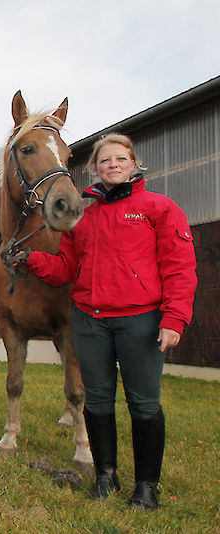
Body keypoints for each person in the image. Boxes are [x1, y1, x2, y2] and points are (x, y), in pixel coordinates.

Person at [17, 133, 197, 510]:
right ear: (94, 168)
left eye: (120, 159)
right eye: (105, 160)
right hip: (90, 321)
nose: (112, 165)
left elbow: (180, 267)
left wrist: (174, 318)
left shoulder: (159, 208)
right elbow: (67, 268)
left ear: (133, 164)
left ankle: (146, 486)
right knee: (97, 401)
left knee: (143, 403)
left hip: (140, 320)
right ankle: (105, 476)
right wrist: (31, 259)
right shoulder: (82, 214)